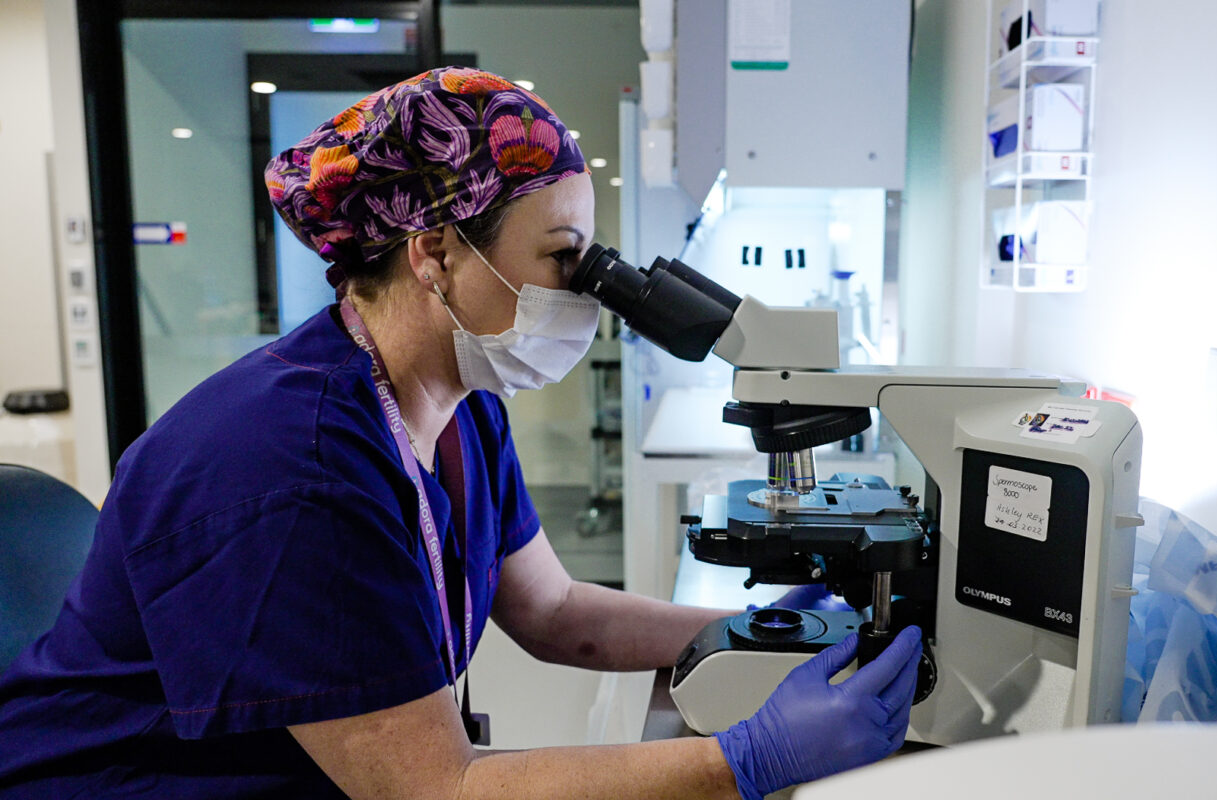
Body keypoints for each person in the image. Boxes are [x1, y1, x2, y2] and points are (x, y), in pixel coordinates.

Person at [0, 67, 921, 800]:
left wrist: (751, 629)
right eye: (565, 259)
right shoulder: (292, 468)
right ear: (434, 252)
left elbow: (558, 615)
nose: (587, 292)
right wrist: (742, 762)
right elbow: (439, 789)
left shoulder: (456, 403)